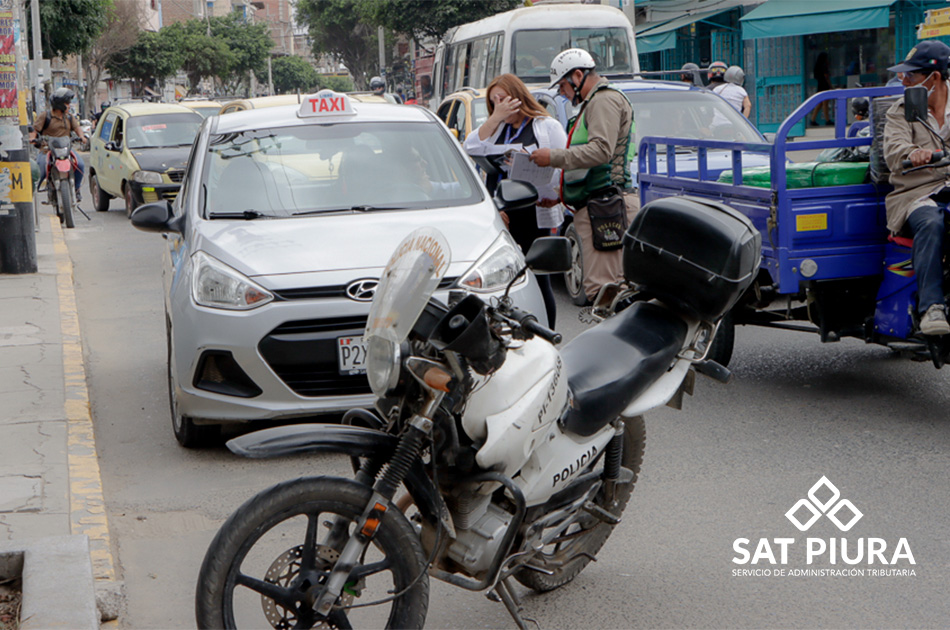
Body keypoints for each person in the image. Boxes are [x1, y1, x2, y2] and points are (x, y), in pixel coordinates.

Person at [529, 48, 636, 304]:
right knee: (604, 291)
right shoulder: (593, 103)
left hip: (606, 205)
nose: (563, 95)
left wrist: (552, 157)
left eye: (563, 87)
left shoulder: (603, 100)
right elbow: (587, 164)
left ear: (578, 76)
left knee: (607, 293)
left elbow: (600, 151)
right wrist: (560, 194)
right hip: (598, 204)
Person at [464, 73, 567, 327]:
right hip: (502, 215)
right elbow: (470, 146)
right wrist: (496, 116)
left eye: (503, 98)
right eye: (494, 101)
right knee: (503, 279)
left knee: (538, 279)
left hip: (533, 212)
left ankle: (547, 334)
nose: (499, 104)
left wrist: (552, 194)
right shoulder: (496, 128)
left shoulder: (545, 126)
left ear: (517, 96)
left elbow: (564, 166)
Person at [882, 40, 950, 335]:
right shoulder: (901, 111)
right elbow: (894, 149)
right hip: (916, 193)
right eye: (902, 75)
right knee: (932, 223)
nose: (904, 80)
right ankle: (932, 307)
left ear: (934, 79)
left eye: (910, 75)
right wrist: (913, 153)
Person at [34, 87, 85, 201]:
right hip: (47, 150)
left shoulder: (69, 117)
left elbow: (77, 128)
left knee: (80, 165)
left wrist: (82, 137)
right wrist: (33, 139)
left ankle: (76, 190)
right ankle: (35, 195)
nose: (69, 105)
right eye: (67, 103)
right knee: (40, 170)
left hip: (66, 149)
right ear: (60, 104)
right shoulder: (45, 116)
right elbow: (35, 130)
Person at [811, 52, 833, 126]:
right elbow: (826, 77)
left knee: (820, 104)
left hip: (820, 85)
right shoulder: (824, 66)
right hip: (824, 85)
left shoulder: (817, 66)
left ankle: (813, 119)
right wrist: (831, 86)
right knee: (825, 103)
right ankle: (827, 120)